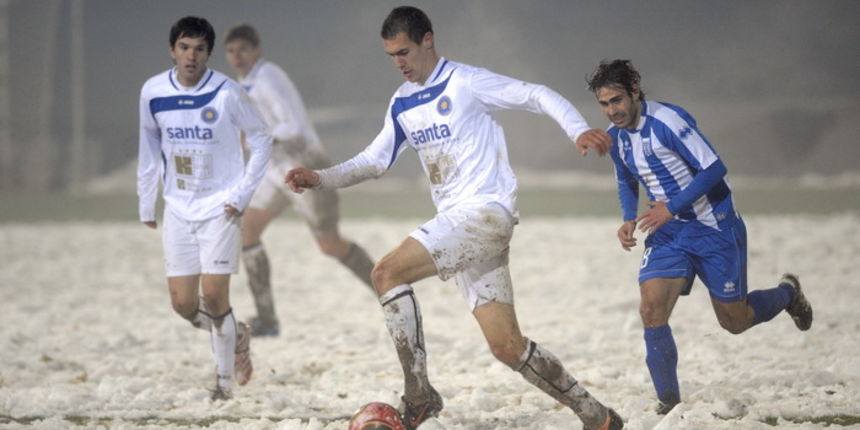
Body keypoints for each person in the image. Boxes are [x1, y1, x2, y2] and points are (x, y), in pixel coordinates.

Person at [285, 6, 623, 430]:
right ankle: (598, 416)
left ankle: (419, 396)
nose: (399, 63)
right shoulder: (402, 102)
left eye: (405, 51)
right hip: (463, 228)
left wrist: (576, 129)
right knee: (507, 346)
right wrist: (320, 178)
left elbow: (535, 94)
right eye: (391, 56)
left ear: (428, 39)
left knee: (386, 273)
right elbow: (374, 161)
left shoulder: (466, 81)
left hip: (483, 214)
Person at [586, 59, 813, 414]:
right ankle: (669, 404)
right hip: (669, 231)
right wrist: (629, 218)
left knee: (734, 321)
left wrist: (670, 207)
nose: (611, 110)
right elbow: (626, 179)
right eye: (603, 103)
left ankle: (787, 294)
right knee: (650, 307)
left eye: (616, 100)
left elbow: (715, 169)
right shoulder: (616, 139)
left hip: (713, 226)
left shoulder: (668, 121)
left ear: (634, 92)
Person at [137, 16, 271, 400]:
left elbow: (262, 140)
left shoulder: (227, 93)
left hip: (221, 207)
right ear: (172, 50)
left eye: (199, 49)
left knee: (214, 297)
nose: (191, 55)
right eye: (184, 47)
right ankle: (237, 335)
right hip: (178, 208)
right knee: (182, 304)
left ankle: (223, 385)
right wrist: (147, 200)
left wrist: (241, 195)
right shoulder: (153, 92)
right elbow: (148, 147)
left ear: (208, 54)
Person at [223, 24, 376, 337]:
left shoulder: (268, 78)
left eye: (243, 49)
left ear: (257, 50)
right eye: (231, 50)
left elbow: (292, 127)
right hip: (276, 171)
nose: (237, 56)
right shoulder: (246, 83)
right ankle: (267, 319)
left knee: (330, 245)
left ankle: (388, 289)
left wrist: (255, 139)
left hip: (304, 166)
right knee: (246, 232)